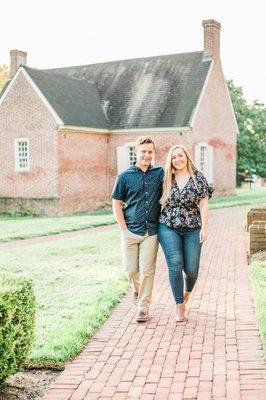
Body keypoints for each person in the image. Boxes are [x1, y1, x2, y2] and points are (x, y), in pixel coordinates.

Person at [158, 145, 214, 322]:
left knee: (191, 270)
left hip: (193, 227)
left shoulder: (199, 178)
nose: (177, 159)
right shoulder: (166, 178)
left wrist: (205, 228)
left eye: (180, 156)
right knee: (175, 265)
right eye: (173, 157)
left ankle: (187, 293)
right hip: (168, 225)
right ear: (171, 160)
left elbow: (204, 204)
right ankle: (179, 306)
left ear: (186, 157)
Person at [112, 136, 164, 322]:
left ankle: (143, 308)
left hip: (151, 232)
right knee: (130, 270)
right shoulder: (124, 177)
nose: (147, 155)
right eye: (143, 151)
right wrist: (123, 229)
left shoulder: (160, 174)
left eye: (150, 152)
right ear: (136, 152)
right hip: (130, 231)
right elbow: (116, 204)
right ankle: (136, 289)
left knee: (148, 270)